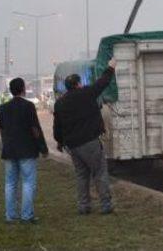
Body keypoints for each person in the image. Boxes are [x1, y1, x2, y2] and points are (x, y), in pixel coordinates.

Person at [53, 58, 116, 215]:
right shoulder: (86, 94)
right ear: (78, 84)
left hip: (73, 146)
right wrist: (110, 67)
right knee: (99, 172)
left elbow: (57, 127)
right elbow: (103, 82)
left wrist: (60, 142)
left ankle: (83, 206)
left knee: (81, 176)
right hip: (90, 142)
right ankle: (106, 204)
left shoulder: (60, 103)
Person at [0, 78, 48, 223]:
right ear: (23, 89)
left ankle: (10, 215)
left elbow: (2, 129)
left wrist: (5, 144)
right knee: (28, 183)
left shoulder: (3, 108)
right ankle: (27, 216)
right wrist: (42, 147)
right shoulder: (28, 106)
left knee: (10, 184)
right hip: (27, 150)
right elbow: (35, 129)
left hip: (9, 151)